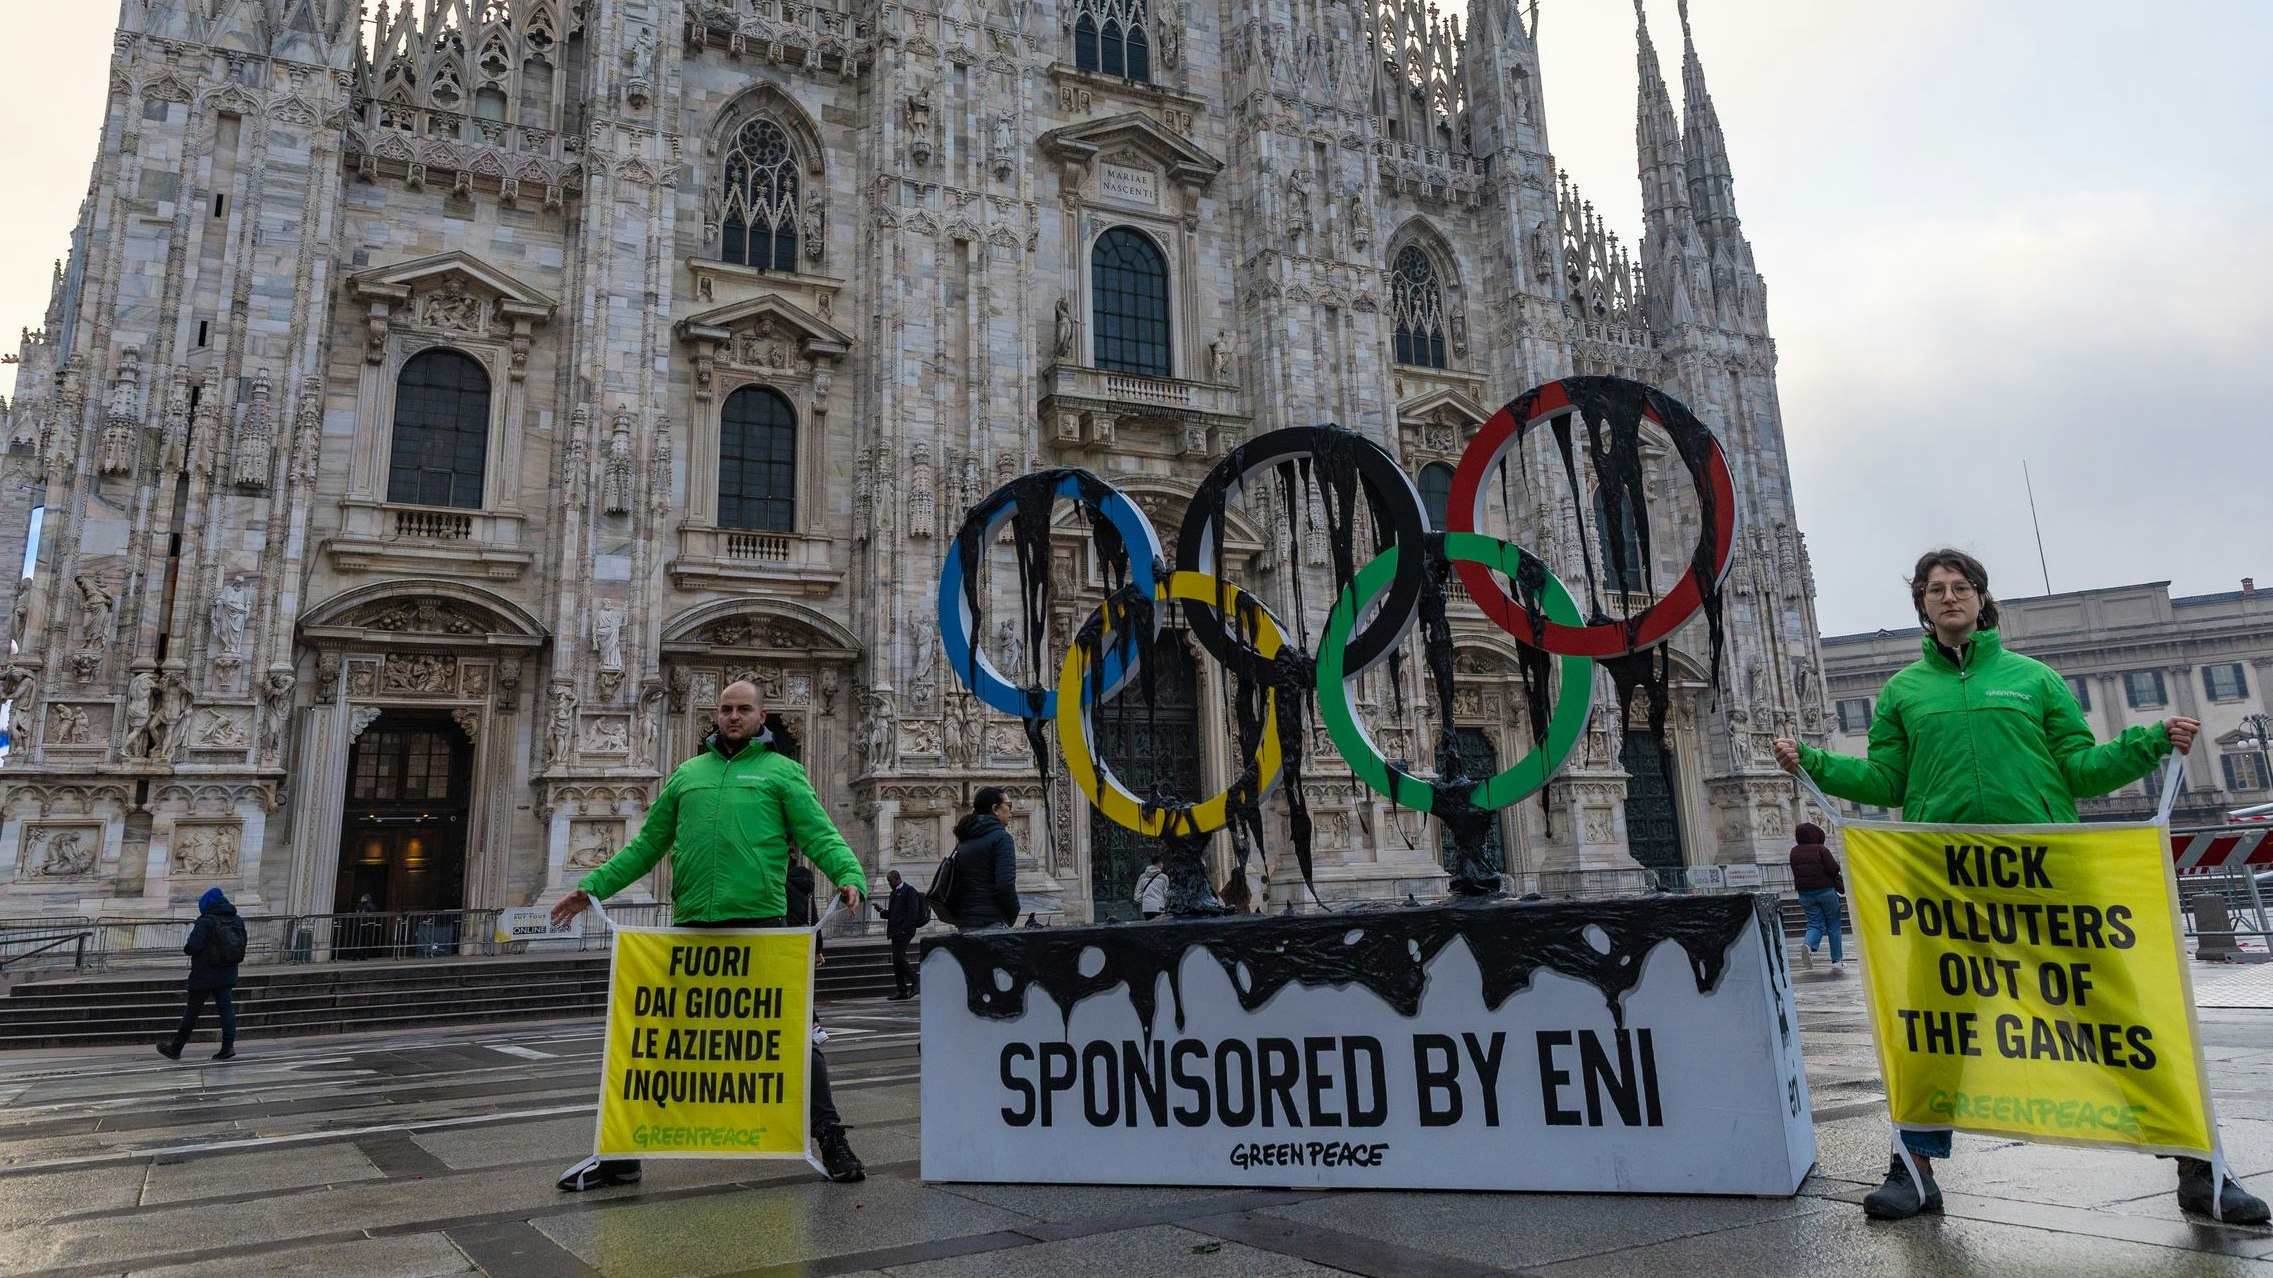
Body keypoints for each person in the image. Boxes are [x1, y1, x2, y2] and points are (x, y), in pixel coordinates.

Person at [1774, 548, 2266, 1226]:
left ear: (1980, 600)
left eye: (1959, 587)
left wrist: (2150, 742)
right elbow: (1886, 783)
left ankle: (2197, 1163)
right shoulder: (1902, 692)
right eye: (1934, 589)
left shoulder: (2032, 679)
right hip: (1946, 878)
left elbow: (2079, 768)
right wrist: (1816, 763)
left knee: (2115, 1018)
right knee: (1932, 1024)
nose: (1947, 598)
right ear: (1921, 605)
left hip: (2043, 869)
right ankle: (1912, 1167)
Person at [548, 680, 869, 1190]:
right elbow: (647, 845)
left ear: (762, 717)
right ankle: (622, 1152)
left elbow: (819, 832)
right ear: (715, 715)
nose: (734, 716)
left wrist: (850, 874)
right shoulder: (687, 775)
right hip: (694, 924)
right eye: (726, 709)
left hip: (761, 924)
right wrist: (591, 887)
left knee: (792, 1037)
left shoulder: (783, 772)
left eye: (743, 709)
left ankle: (831, 1138)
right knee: (657, 1042)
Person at [157, 887, 246, 1062]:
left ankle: (176, 1048)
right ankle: (228, 1047)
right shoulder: (237, 919)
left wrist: (189, 947)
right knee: (226, 1010)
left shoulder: (206, 921)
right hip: (228, 972)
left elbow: (193, 946)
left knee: (192, 1011)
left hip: (205, 973)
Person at [947, 787, 1019, 930]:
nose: (1012, 811)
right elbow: (1005, 885)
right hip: (991, 920)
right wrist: (1013, 913)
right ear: (995, 809)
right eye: (1008, 805)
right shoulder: (1002, 838)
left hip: (965, 921)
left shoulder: (965, 838)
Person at [1787, 822, 1844, 969]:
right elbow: (1833, 869)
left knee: (1814, 923)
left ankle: (1808, 945)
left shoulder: (1794, 851)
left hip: (1805, 893)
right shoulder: (1820, 849)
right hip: (1825, 891)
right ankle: (1836, 961)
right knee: (1833, 925)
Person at [877, 869, 926, 999]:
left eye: (890, 881)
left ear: (897, 878)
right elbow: (893, 914)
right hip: (895, 931)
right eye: (888, 881)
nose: (889, 883)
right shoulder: (894, 893)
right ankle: (902, 990)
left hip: (904, 931)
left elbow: (913, 912)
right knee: (896, 960)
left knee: (899, 957)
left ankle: (916, 979)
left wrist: (904, 928)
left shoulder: (909, 891)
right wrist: (882, 911)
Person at [1133, 854, 1168, 920]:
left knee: (1149, 927)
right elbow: (1166, 894)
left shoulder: (1142, 876)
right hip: (1159, 907)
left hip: (1146, 908)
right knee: (1159, 928)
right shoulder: (1164, 877)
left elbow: (1137, 896)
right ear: (1160, 864)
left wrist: (1146, 901)